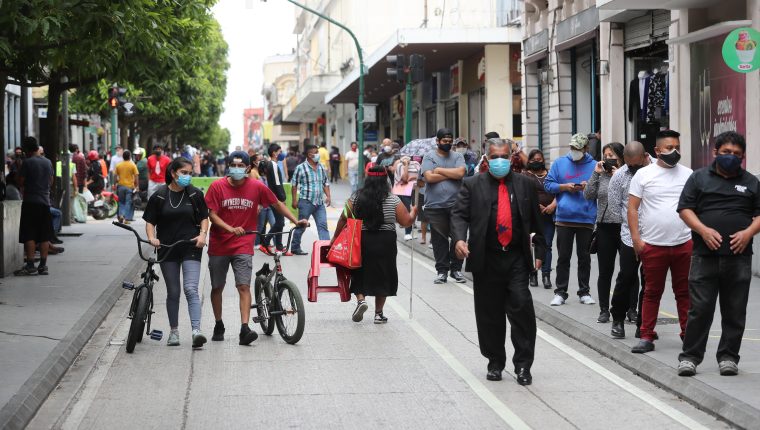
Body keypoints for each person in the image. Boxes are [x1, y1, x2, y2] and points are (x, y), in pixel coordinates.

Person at [451, 138, 545, 385]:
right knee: (489, 315)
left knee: (522, 310)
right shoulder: (472, 185)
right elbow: (459, 214)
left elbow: (536, 220)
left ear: (511, 157)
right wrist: (459, 240)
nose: (500, 161)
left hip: (516, 258)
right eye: (494, 157)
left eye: (504, 156)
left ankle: (523, 366)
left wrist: (542, 254)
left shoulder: (525, 184)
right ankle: (495, 362)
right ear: (487, 158)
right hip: (486, 258)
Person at [676, 131, 760, 376]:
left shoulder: (751, 182)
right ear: (715, 152)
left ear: (743, 157)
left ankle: (728, 357)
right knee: (700, 309)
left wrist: (748, 233)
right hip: (704, 256)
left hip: (739, 257)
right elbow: (685, 209)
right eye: (726, 153)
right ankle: (690, 357)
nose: (731, 157)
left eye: (736, 154)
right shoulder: (699, 178)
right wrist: (703, 230)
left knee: (735, 310)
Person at [205, 151, 307, 345]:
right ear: (228, 166)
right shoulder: (217, 187)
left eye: (240, 165)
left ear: (248, 168)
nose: (236, 168)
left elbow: (276, 204)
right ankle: (219, 323)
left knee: (243, 286)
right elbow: (212, 215)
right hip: (219, 245)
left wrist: (296, 220)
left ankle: (245, 329)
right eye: (233, 165)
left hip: (243, 243)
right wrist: (230, 229)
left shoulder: (256, 186)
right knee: (217, 287)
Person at [628, 130, 692, 354]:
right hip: (653, 244)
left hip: (683, 243)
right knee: (652, 292)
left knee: (684, 292)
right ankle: (646, 335)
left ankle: (688, 334)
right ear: (657, 151)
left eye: (677, 147)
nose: (674, 151)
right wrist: (637, 240)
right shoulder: (643, 175)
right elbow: (633, 208)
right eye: (668, 148)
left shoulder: (689, 175)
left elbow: (695, 208)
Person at [335, 166, 417, 324]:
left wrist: (334, 238)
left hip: (362, 239)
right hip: (385, 241)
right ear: (385, 180)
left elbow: (343, 218)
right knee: (384, 274)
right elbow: (406, 221)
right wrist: (414, 212)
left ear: (368, 179)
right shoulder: (393, 199)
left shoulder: (356, 198)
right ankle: (378, 314)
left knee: (359, 271)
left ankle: (361, 300)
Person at [143, 157, 210, 348]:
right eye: (184, 173)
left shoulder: (195, 194)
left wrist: (202, 235)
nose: (188, 176)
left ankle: (196, 331)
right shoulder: (160, 195)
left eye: (190, 173)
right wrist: (152, 237)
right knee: (173, 291)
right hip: (167, 248)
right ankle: (174, 332)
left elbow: (204, 218)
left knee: (191, 289)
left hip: (191, 247)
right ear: (173, 173)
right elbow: (150, 221)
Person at [544, 133, 598, 306]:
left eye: (578, 148)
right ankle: (560, 292)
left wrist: (586, 186)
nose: (574, 151)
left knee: (584, 258)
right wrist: (564, 187)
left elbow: (600, 189)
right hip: (564, 218)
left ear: (586, 149)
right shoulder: (559, 163)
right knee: (563, 257)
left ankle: (584, 292)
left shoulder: (595, 165)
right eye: (572, 147)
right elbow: (548, 184)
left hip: (586, 218)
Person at [608, 141, 654, 339]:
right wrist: (630, 227)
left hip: (654, 236)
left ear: (645, 156)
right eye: (630, 165)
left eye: (638, 165)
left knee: (649, 282)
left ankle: (643, 324)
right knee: (626, 277)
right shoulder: (619, 177)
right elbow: (614, 208)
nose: (634, 168)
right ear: (624, 161)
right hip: (629, 236)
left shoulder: (657, 170)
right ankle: (617, 319)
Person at [583, 142, 624, 323]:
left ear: (621, 157)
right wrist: (595, 173)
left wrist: (618, 177)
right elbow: (588, 195)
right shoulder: (600, 175)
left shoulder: (628, 174)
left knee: (628, 272)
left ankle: (630, 309)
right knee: (605, 271)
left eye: (613, 155)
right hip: (605, 227)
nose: (609, 159)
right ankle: (604, 309)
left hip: (625, 228)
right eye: (606, 155)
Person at [421, 128, 467, 284]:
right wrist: (451, 174)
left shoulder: (458, 156)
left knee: (458, 237)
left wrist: (439, 170)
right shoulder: (429, 156)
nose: (447, 144)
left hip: (457, 204)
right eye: (444, 141)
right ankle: (442, 271)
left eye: (450, 141)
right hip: (435, 206)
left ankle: (456, 270)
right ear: (438, 141)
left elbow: (460, 174)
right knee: (439, 239)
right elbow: (428, 177)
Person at [14, 137, 54, 276]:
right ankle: (43, 266)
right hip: (45, 202)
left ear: (27, 150)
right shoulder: (48, 162)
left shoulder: (27, 163)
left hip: (30, 201)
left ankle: (30, 265)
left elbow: (20, 182)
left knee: (29, 233)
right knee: (44, 235)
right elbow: (51, 181)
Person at [522, 149, 556, 289]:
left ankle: (546, 275)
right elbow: (522, 194)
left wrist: (552, 206)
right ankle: (533, 274)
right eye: (534, 160)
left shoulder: (550, 174)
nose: (537, 162)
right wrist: (536, 206)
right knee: (532, 245)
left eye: (539, 159)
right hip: (531, 216)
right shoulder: (524, 175)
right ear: (529, 161)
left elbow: (556, 191)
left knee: (547, 245)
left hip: (548, 215)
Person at [290, 145, 331, 255]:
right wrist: (294, 201)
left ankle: (326, 249)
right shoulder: (301, 168)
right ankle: (295, 247)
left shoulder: (321, 167)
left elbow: (325, 182)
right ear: (309, 155)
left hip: (319, 203)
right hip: (305, 202)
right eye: (316, 152)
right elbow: (294, 185)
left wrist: (328, 196)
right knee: (301, 226)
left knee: (323, 226)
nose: (318, 154)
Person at [259, 144, 290, 255]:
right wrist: (282, 198)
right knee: (280, 223)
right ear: (274, 153)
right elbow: (277, 184)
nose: (282, 154)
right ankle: (265, 243)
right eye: (280, 151)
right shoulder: (274, 165)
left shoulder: (272, 165)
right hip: (276, 199)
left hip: (274, 198)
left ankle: (279, 248)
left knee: (279, 223)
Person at [393, 155, 421, 241]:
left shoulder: (416, 164)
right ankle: (407, 232)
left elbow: (420, 176)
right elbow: (404, 178)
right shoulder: (400, 165)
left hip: (415, 189)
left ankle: (412, 230)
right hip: (403, 190)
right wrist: (406, 166)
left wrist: (413, 177)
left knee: (415, 209)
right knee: (407, 210)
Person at [115, 150, 139, 223]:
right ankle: (126, 218)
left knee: (121, 202)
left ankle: (121, 215)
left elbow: (115, 176)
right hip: (129, 187)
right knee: (128, 202)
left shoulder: (118, 165)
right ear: (129, 156)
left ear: (123, 157)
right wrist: (137, 185)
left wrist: (114, 184)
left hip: (120, 186)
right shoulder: (133, 165)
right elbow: (136, 176)